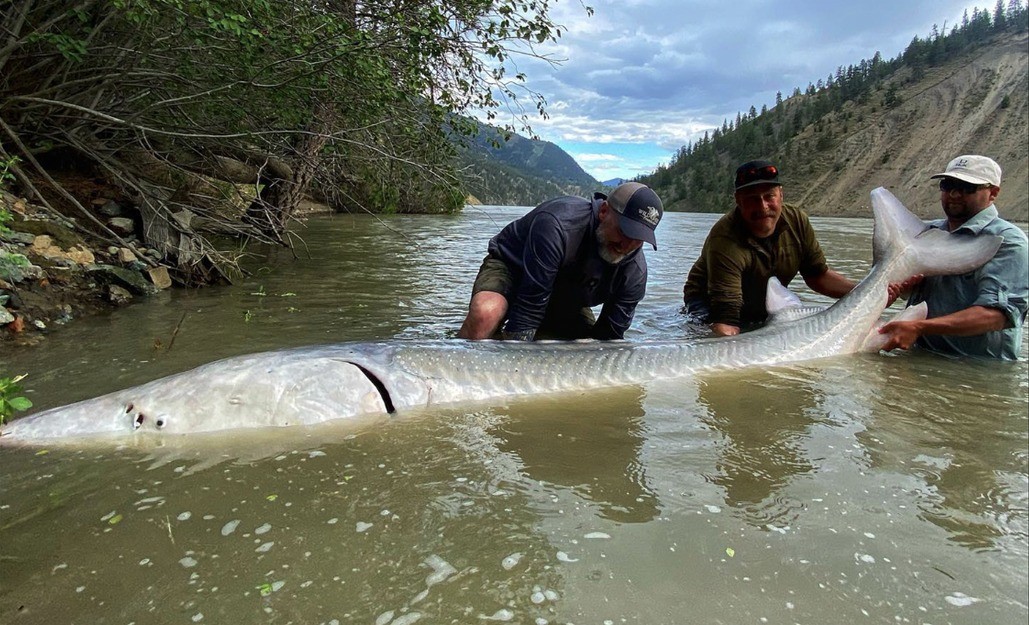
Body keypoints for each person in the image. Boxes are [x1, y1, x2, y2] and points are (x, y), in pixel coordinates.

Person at [457, 182, 663, 341]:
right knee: (486, 313)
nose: (625, 246)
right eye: (623, 232)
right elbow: (529, 309)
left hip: (564, 294)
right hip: (514, 270)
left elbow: (609, 338)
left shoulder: (634, 273)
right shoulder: (557, 225)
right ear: (603, 212)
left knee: (581, 350)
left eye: (637, 240)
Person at [878, 155, 1028, 360]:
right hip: (919, 357)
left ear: (993, 193)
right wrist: (905, 289)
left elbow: (997, 316)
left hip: (978, 369)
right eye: (948, 185)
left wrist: (920, 327)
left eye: (967, 187)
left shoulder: (1008, 241)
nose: (954, 194)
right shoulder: (928, 233)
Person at [682, 160, 856, 336]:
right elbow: (726, 320)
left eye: (769, 196)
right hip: (708, 302)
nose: (762, 206)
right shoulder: (724, 239)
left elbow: (817, 276)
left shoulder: (797, 221)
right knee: (707, 334)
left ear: (781, 195)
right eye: (752, 199)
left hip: (762, 299)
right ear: (738, 201)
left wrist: (866, 291)